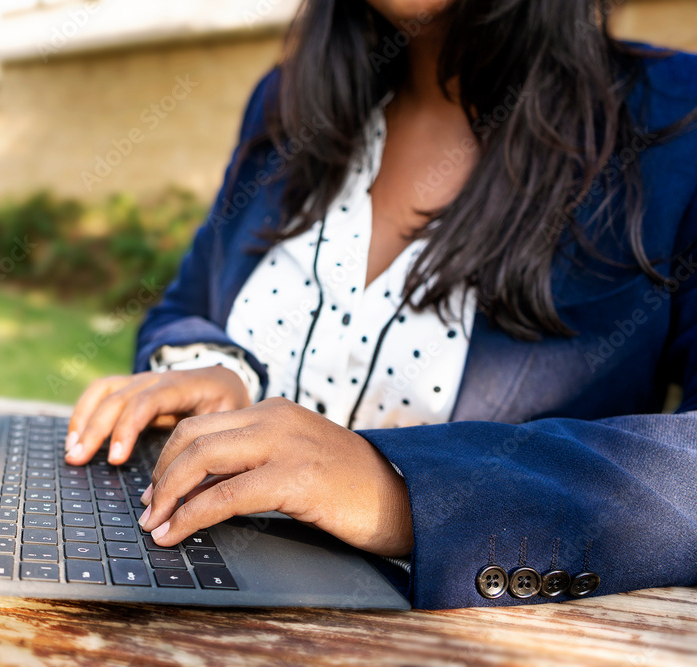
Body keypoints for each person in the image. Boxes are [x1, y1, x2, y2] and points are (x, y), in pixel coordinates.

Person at [63, 0, 697, 609]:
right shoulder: (287, 102)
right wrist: (216, 368)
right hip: (193, 597)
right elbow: (186, 301)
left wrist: (400, 488)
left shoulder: (677, 120)